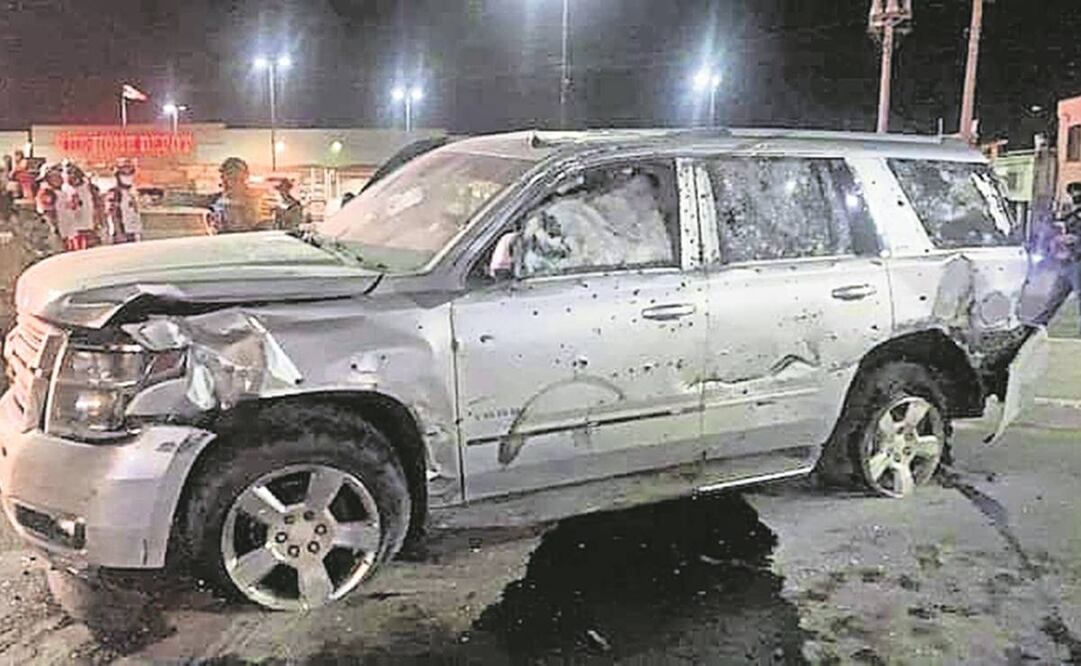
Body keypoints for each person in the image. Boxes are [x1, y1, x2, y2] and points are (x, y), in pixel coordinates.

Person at [1025, 182, 1081, 331]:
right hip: (1068, 260)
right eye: (1073, 192)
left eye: (1077, 192)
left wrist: (1074, 239)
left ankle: (1039, 321)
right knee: (1057, 294)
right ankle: (1039, 322)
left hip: (1078, 260)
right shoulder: (1073, 214)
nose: (1075, 196)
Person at [55, 162, 102, 251]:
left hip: (88, 226)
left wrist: (98, 221)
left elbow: (97, 205)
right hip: (72, 229)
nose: (71, 175)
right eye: (68, 173)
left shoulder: (89, 188)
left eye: (73, 172)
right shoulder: (63, 190)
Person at [207, 157, 260, 234]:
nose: (237, 183)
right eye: (233, 179)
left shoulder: (256, 201)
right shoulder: (214, 201)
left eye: (240, 179)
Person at [105, 159, 142, 243]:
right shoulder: (115, 193)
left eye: (130, 173)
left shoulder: (132, 191)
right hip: (122, 233)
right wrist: (119, 233)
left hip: (133, 231)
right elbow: (113, 214)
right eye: (124, 173)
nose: (128, 176)